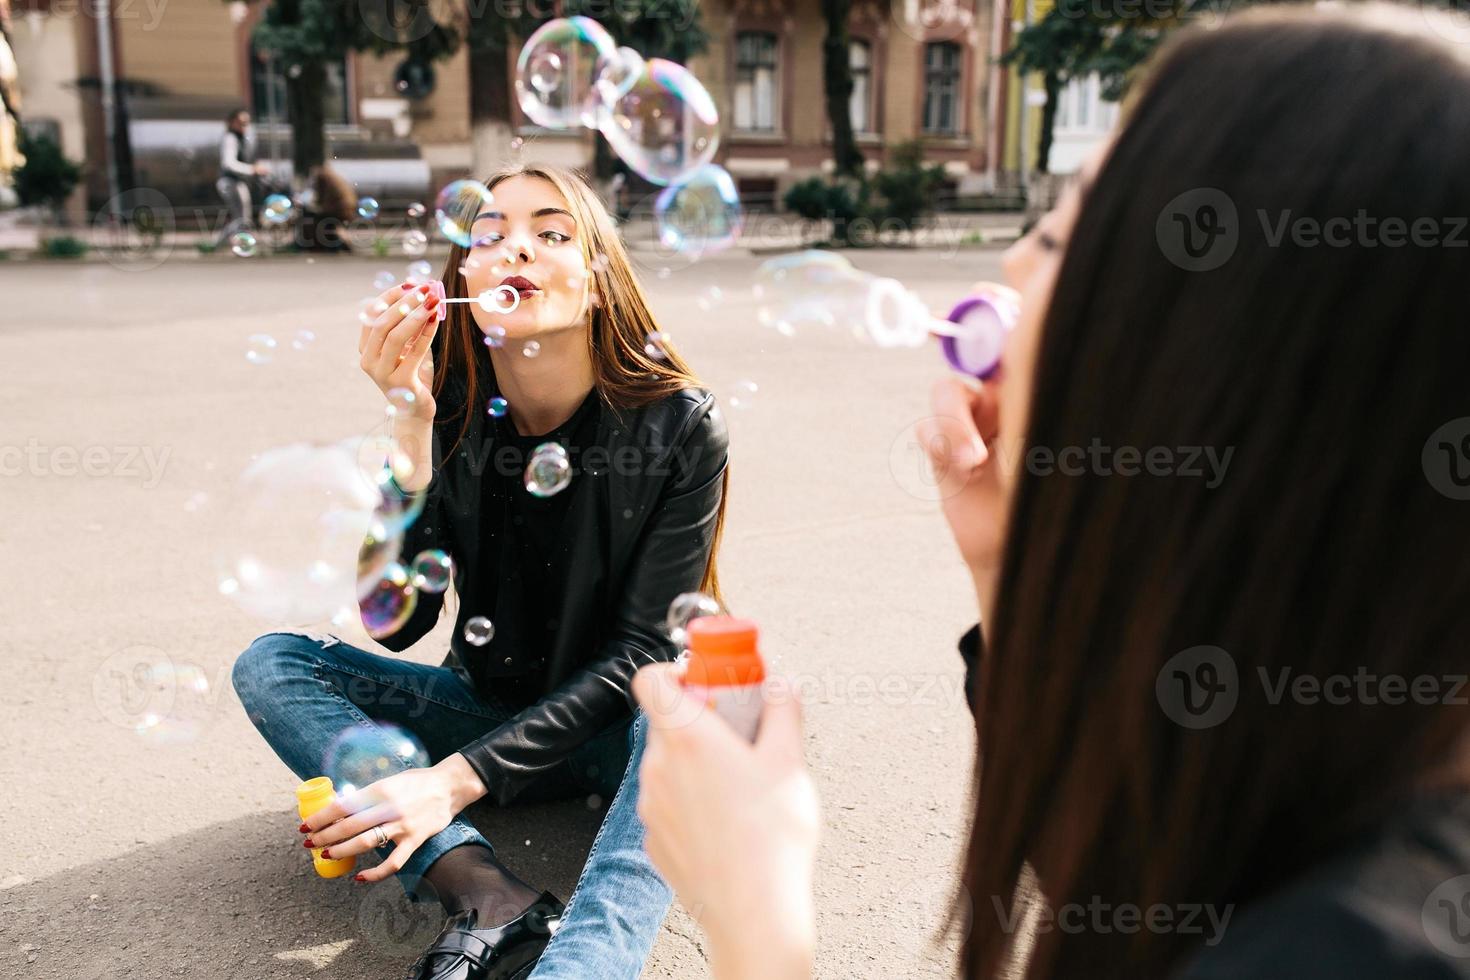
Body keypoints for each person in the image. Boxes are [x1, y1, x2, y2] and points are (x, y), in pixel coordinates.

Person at [630, 4, 1470, 978]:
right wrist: (1007, 567)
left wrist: (757, 928)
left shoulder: (1364, 952)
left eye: (1067, 239)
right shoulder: (1340, 769)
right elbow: (1135, 867)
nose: (1013, 261)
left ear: (1213, 359)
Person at [232, 163, 730, 980]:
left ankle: (582, 965)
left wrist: (449, 783)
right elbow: (399, 622)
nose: (514, 250)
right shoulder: (449, 406)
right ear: (462, 277)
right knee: (271, 663)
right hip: (492, 712)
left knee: (690, 697)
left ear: (600, 281)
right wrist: (409, 432)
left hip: (622, 730)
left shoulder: (678, 425)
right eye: (489, 235)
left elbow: (645, 648)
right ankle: (482, 887)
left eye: (551, 232)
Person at [215, 108, 269, 248]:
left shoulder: (242, 139)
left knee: (241, 217)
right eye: (241, 122)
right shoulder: (231, 138)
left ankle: (222, 243)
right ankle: (232, 243)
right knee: (242, 218)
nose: (244, 126)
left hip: (237, 182)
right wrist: (252, 169)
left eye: (246, 123)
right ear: (232, 123)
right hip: (231, 182)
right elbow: (229, 163)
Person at [293, 164, 356, 253]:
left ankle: (309, 245)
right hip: (346, 209)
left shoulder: (322, 177)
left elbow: (320, 198)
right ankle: (333, 245)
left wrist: (312, 206)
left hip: (339, 210)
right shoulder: (331, 176)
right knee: (324, 223)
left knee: (311, 219)